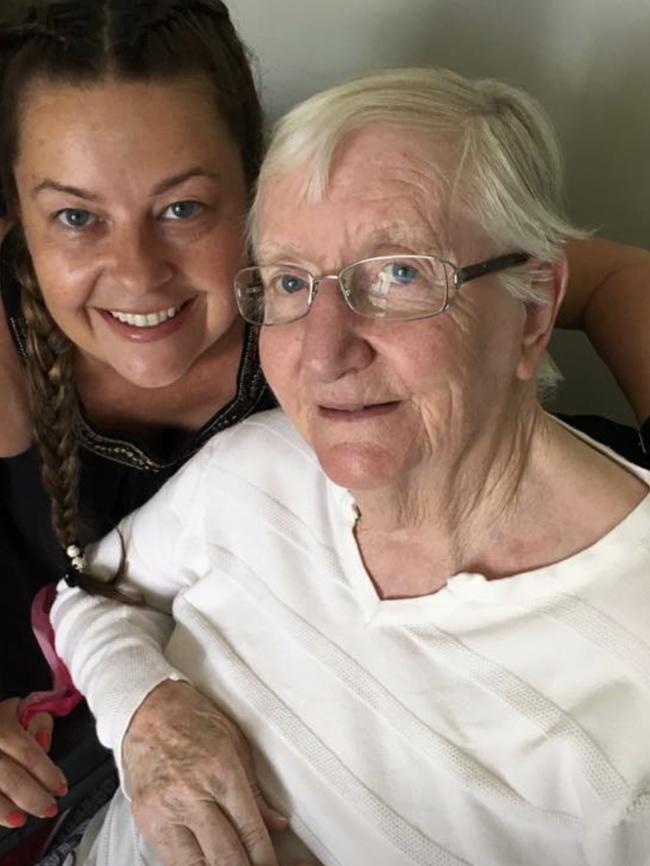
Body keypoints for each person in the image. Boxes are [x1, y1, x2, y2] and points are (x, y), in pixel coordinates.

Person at [0, 0, 648, 862]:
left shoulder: (336, 355)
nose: (136, 273)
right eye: (76, 217)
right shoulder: (236, 455)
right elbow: (98, 604)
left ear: (254, 190)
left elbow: (580, 281)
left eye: (185, 208)